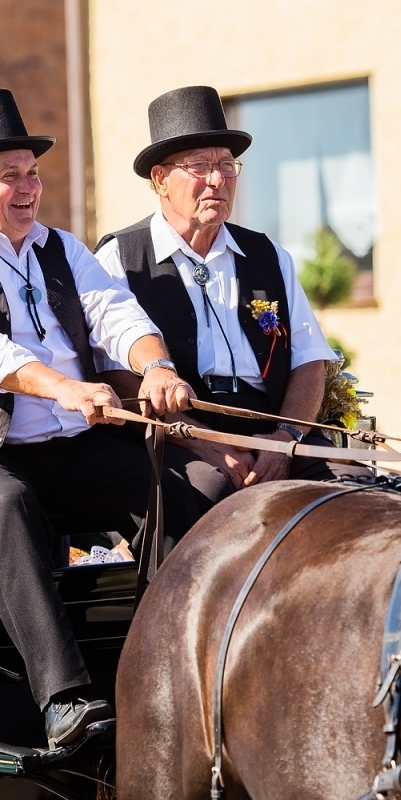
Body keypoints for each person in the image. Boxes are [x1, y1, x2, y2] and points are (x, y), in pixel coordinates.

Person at [0, 87, 197, 748]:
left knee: (172, 489)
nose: (28, 187)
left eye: (33, 172)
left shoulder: (64, 252)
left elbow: (119, 317)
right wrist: (65, 387)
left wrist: (155, 365)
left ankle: (179, 665)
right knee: (8, 504)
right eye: (9, 175)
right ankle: (64, 698)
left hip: (68, 447)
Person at [96, 85, 361, 507]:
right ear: (160, 179)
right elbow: (115, 376)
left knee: (358, 486)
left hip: (273, 427)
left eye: (227, 165)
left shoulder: (268, 254)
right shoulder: (121, 258)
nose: (218, 179)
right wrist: (201, 442)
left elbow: (310, 360)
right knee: (210, 496)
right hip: (182, 434)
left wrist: (286, 437)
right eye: (200, 166)